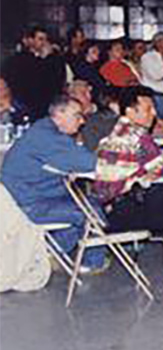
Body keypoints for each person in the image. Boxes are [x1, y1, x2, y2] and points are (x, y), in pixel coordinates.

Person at [94, 87, 163, 287]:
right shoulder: (136, 137)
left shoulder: (114, 135)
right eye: (148, 109)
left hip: (108, 211)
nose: (154, 113)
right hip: (125, 214)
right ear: (130, 111)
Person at [0, 95, 108, 272]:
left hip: (32, 197)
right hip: (27, 204)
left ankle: (46, 254)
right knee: (91, 212)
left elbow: (69, 161)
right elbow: (89, 162)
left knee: (89, 205)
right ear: (59, 114)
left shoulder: (44, 130)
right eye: (77, 115)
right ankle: (92, 263)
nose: (81, 121)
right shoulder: (47, 136)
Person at [3, 26, 67, 120]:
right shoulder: (18, 60)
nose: (44, 43)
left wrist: (51, 58)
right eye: (40, 39)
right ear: (30, 40)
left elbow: (59, 79)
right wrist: (44, 60)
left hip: (48, 104)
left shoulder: (53, 59)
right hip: (27, 105)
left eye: (46, 39)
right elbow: (32, 80)